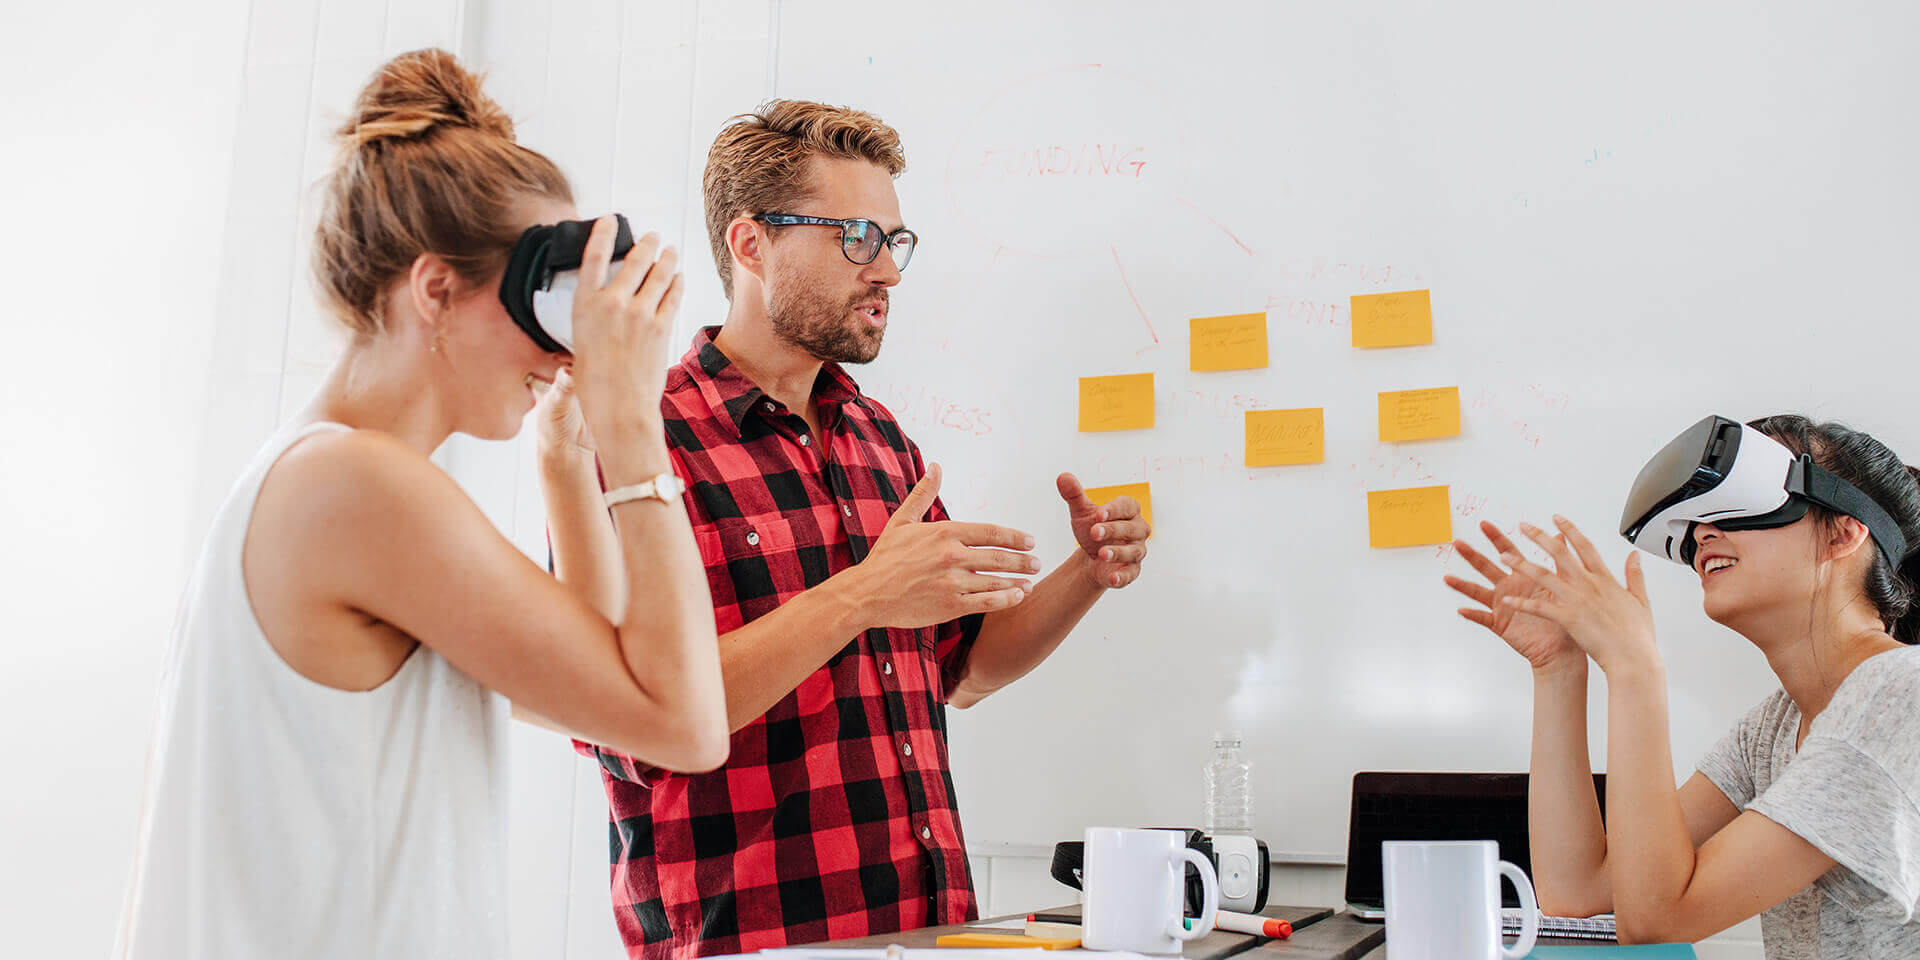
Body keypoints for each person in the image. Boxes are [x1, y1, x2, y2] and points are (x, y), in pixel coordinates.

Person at [115, 49, 728, 959]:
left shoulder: (332, 479)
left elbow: (593, 692)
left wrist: (569, 460)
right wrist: (639, 422)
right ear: (435, 289)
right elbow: (684, 726)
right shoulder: (355, 487)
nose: (563, 351)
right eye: (539, 303)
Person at [551, 100, 1152, 959]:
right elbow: (632, 724)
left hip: (927, 930)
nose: (889, 273)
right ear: (752, 244)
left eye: (895, 242)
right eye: (856, 238)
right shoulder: (635, 440)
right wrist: (864, 595)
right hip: (751, 942)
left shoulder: (880, 439)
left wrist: (1085, 574)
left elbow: (964, 668)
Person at [1447, 414, 1920, 957]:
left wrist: (1634, 667)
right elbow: (1578, 894)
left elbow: (1657, 920)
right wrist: (1558, 667)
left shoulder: (1900, 695)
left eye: (1738, 505)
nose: (1701, 533)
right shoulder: (1773, 728)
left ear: (1843, 533)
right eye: (1695, 520)